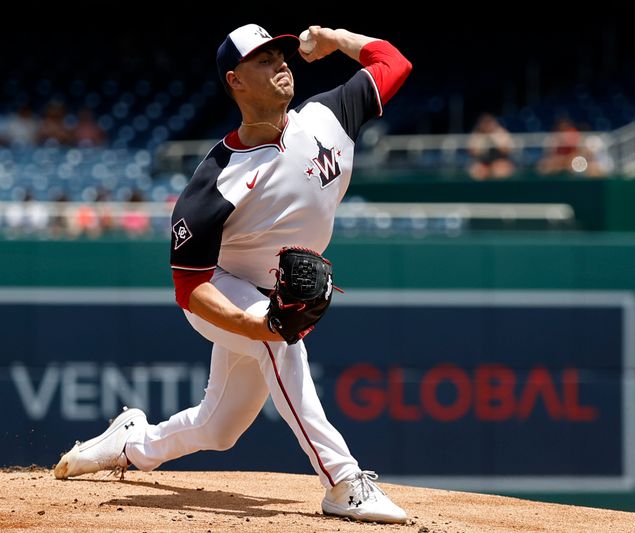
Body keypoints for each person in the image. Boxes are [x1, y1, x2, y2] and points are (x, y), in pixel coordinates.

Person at [53, 22, 412, 524]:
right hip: (220, 292)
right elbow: (189, 286)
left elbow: (393, 63)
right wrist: (257, 325)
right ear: (235, 81)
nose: (281, 65)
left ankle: (131, 443)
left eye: (281, 56)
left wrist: (334, 38)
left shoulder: (327, 116)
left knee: (218, 430)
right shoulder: (216, 179)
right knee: (279, 341)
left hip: (271, 294)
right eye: (263, 61)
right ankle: (343, 483)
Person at [466, 113, 516, 180]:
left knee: (500, 171)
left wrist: (495, 139)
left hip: (500, 160)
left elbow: (506, 150)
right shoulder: (477, 134)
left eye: (489, 123)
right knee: (477, 171)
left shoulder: (500, 133)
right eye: (485, 123)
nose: (487, 125)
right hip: (483, 162)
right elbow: (472, 151)